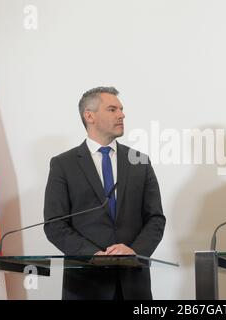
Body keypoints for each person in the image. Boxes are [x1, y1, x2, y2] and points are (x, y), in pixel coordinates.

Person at [43, 86, 166, 300]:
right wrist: (92, 255)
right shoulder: (63, 164)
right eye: (112, 109)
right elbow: (55, 224)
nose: (121, 114)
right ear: (89, 116)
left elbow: (155, 219)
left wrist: (134, 251)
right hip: (85, 286)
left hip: (133, 286)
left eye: (121, 109)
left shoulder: (139, 162)